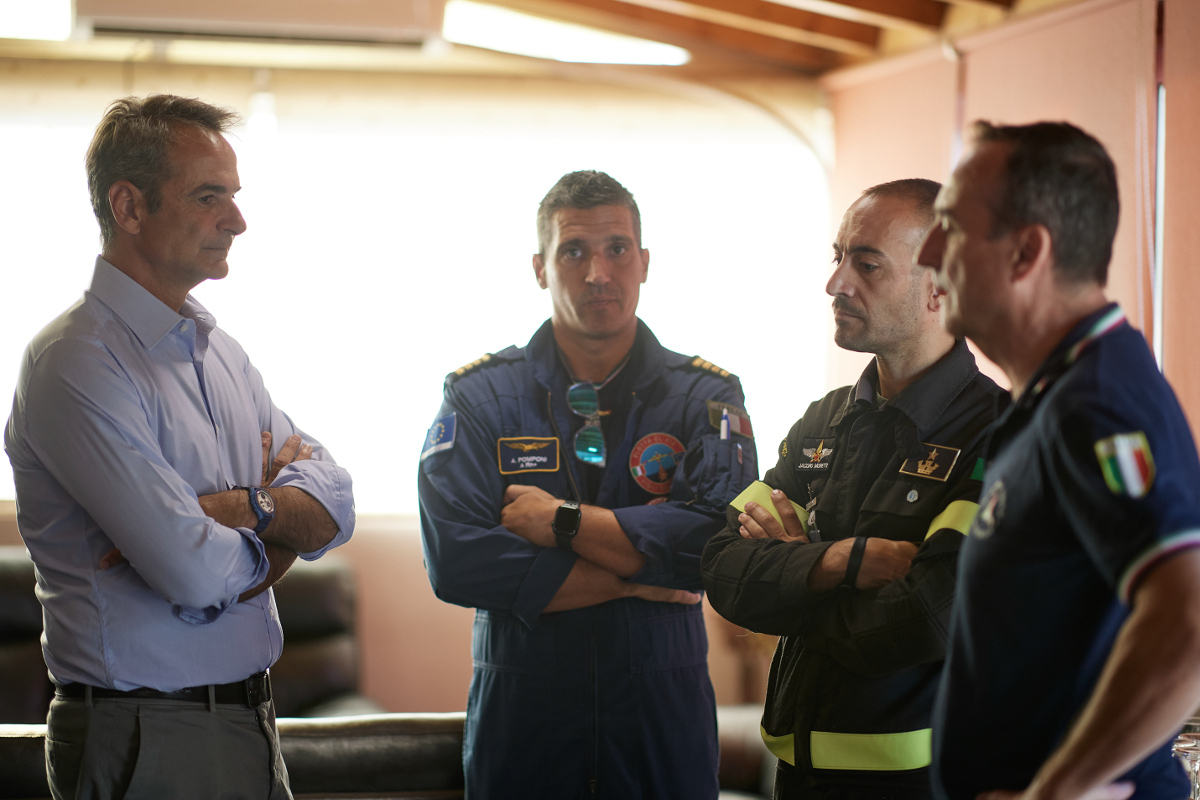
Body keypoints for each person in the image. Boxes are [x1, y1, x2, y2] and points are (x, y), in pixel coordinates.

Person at [3, 95, 355, 800]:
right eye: (207, 196)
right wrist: (281, 530)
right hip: (145, 734)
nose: (238, 220)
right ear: (129, 207)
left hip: (251, 720)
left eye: (234, 196)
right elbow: (193, 574)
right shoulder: (76, 362)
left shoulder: (222, 353)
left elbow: (337, 502)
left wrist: (241, 509)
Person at [418, 170, 757, 799]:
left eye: (617, 249)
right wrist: (640, 576)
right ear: (540, 269)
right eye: (574, 251)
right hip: (525, 732)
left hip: (662, 729)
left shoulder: (706, 396)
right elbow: (457, 562)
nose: (599, 272)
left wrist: (563, 523)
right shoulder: (479, 396)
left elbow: (719, 542)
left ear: (644, 262)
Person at [918, 120, 1200, 800]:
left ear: (1026, 252)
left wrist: (1057, 789)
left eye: (950, 225)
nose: (928, 251)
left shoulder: (1097, 400)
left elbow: (1189, 617)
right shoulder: (1056, 394)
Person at [702, 179, 1004, 800]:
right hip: (797, 778)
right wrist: (840, 561)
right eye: (838, 256)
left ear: (943, 285)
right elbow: (722, 566)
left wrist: (793, 573)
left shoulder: (1001, 434)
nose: (835, 283)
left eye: (866, 264)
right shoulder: (825, 420)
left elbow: (924, 619)